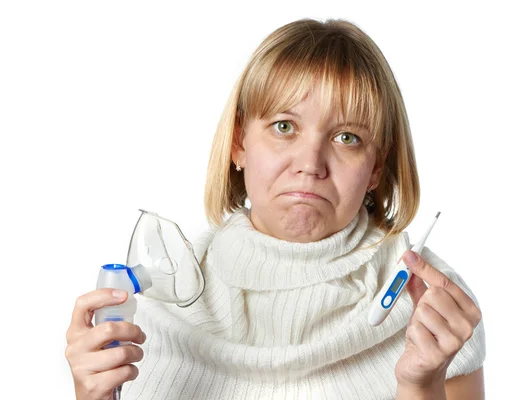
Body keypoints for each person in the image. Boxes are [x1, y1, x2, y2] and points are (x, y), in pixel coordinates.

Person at [65, 18, 486, 399]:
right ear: (238, 143)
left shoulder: (435, 306)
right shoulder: (160, 302)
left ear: (376, 167)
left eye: (347, 138)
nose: (310, 164)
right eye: (284, 127)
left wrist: (422, 385)